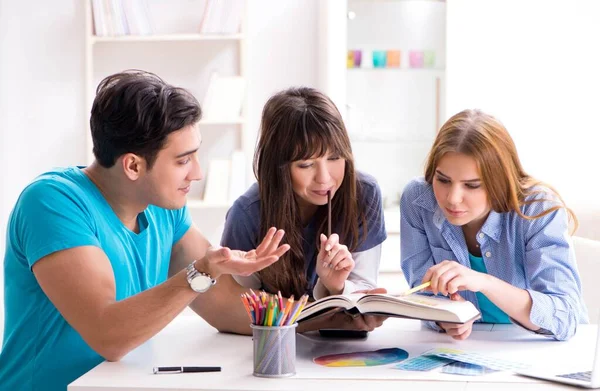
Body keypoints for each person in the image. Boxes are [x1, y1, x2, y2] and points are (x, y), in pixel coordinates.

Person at [0, 70, 289, 391]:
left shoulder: (164, 209)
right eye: (183, 161)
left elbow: (222, 307)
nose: (197, 172)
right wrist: (201, 272)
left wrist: (320, 319)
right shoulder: (51, 203)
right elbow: (108, 337)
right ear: (133, 166)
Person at [195, 87, 388, 335]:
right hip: (270, 347)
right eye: (306, 164)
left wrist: (335, 286)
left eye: (335, 158)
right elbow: (243, 307)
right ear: (278, 166)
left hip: (342, 347)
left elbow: (363, 294)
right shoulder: (247, 214)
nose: (325, 177)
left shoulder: (363, 194)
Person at [400, 109, 588, 341]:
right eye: (443, 180)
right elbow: (422, 289)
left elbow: (566, 315)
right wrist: (443, 317)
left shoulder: (537, 208)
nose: (452, 198)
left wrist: (484, 283)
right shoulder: (418, 200)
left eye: (472, 185)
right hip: (464, 347)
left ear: (499, 181)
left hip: (537, 345)